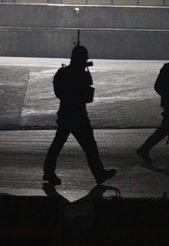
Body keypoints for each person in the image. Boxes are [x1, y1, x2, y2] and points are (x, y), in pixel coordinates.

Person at [43, 44, 116, 186]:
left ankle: (49, 172)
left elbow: (59, 92)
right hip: (77, 115)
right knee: (89, 146)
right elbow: (86, 94)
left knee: (58, 145)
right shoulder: (77, 74)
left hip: (66, 114)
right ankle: (99, 173)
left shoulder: (63, 73)